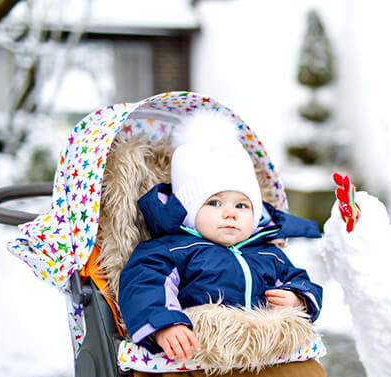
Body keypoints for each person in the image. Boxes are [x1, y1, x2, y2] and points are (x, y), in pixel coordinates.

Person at [118, 120, 322, 362]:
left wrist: (297, 298)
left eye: (242, 205)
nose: (230, 213)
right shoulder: (173, 249)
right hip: (201, 354)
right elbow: (145, 285)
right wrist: (165, 324)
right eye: (214, 203)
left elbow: (299, 280)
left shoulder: (268, 253)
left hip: (264, 355)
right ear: (189, 210)